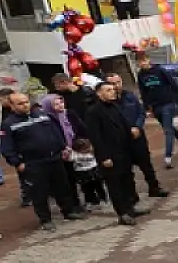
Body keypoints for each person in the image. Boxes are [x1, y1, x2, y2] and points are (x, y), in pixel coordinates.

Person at [0, 91, 86, 231]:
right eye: (20, 103)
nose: (25, 105)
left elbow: (55, 132)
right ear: (12, 106)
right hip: (33, 163)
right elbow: (7, 147)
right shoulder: (8, 124)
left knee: (62, 187)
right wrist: (17, 163)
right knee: (39, 192)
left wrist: (62, 147)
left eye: (26, 102)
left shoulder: (42, 115)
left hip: (54, 158)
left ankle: (68, 212)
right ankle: (46, 219)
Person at [86, 81, 151, 225]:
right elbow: (96, 137)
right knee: (115, 184)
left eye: (113, 90)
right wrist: (104, 157)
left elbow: (123, 125)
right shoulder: (94, 112)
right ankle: (122, 213)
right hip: (110, 154)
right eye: (108, 90)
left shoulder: (115, 106)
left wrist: (130, 134)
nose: (113, 92)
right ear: (99, 93)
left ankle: (130, 208)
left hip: (124, 151)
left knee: (127, 181)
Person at [104, 72, 170, 198]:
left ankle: (154, 188)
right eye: (112, 83)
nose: (116, 86)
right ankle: (132, 195)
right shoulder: (108, 103)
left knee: (146, 165)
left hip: (137, 137)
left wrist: (137, 126)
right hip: (121, 141)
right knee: (126, 170)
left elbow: (141, 112)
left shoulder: (129, 96)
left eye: (118, 82)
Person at [134, 53, 178, 168]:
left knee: (167, 130)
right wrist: (147, 108)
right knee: (168, 127)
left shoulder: (160, 70)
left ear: (148, 59)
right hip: (155, 107)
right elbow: (143, 92)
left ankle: (168, 157)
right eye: (140, 62)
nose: (142, 63)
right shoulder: (140, 75)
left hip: (168, 103)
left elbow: (173, 84)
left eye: (144, 60)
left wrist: (176, 99)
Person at [69, 138, 106, 210]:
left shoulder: (92, 153)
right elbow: (69, 158)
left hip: (93, 171)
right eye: (83, 149)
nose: (86, 150)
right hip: (82, 173)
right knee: (86, 189)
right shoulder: (75, 155)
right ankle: (91, 201)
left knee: (98, 186)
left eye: (88, 148)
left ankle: (103, 199)